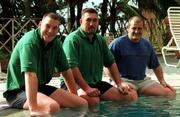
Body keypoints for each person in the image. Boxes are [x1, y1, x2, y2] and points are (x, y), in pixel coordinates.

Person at [3, 13, 88, 116]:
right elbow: (30, 75)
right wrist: (33, 108)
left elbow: (66, 71)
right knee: (52, 107)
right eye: (47, 26)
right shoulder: (30, 42)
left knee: (81, 104)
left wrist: (74, 96)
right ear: (39, 25)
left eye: (54, 28)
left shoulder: (56, 44)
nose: (50, 31)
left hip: (41, 87)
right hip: (17, 92)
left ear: (58, 30)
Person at [62, 8, 138, 107]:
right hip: (74, 84)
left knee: (131, 96)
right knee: (93, 101)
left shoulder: (100, 40)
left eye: (95, 20)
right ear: (81, 21)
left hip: (96, 83)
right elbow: (71, 68)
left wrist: (119, 83)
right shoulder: (72, 40)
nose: (91, 24)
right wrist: (86, 88)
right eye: (88, 20)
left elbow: (110, 62)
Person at [109, 16, 176, 99]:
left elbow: (156, 66)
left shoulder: (146, 45)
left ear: (143, 29)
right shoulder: (117, 44)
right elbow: (107, 66)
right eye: (134, 28)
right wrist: (119, 82)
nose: (137, 31)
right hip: (124, 80)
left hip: (142, 81)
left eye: (139, 29)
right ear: (127, 28)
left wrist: (162, 81)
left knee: (170, 93)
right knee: (132, 97)